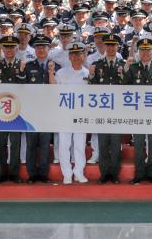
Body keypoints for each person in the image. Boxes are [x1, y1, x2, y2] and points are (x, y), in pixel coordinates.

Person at [124, 38, 152, 184]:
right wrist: (124, 69)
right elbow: (125, 89)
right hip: (137, 113)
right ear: (139, 52)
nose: (145, 53)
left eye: (147, 50)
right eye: (142, 50)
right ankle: (139, 173)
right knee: (138, 144)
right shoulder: (132, 68)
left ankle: (151, 173)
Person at [89, 33, 126, 184]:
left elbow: (128, 89)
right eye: (108, 45)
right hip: (102, 111)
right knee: (103, 144)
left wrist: (124, 76)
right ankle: (104, 173)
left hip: (117, 111)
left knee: (116, 145)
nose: (111, 48)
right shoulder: (97, 65)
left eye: (114, 45)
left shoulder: (123, 65)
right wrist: (91, 76)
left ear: (118, 47)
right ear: (104, 46)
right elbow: (92, 89)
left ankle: (115, 174)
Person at [0, 36, 27, 184]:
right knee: (1, 143)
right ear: (3, 49)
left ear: (17, 49)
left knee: (15, 143)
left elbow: (25, 87)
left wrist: (22, 72)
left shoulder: (22, 64)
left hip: (16, 110)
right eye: (6, 47)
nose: (9, 50)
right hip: (0, 110)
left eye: (12, 47)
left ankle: (14, 173)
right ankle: (2, 173)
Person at [52, 42, 89, 184]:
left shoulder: (87, 73)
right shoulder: (61, 73)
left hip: (81, 114)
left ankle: (78, 172)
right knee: (64, 145)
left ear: (82, 56)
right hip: (65, 114)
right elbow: (55, 93)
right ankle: (66, 173)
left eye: (78, 54)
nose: (75, 57)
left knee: (80, 145)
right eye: (73, 54)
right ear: (69, 56)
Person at [24, 35, 59, 183]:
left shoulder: (57, 67)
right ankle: (32, 174)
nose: (41, 50)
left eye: (44, 47)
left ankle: (43, 174)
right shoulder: (28, 66)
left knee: (45, 144)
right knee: (31, 144)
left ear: (49, 48)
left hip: (48, 112)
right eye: (38, 47)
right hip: (31, 112)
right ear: (34, 49)